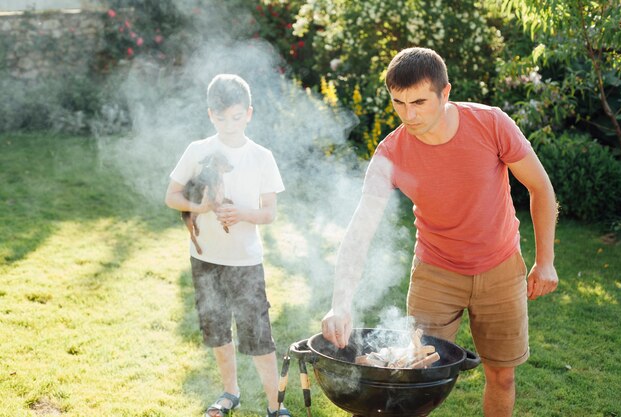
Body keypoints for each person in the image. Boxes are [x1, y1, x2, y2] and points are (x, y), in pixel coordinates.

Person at [321, 47, 559, 417]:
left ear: (445, 93)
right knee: (411, 377)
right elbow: (360, 231)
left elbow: (540, 187)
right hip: (435, 273)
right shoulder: (391, 153)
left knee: (502, 376)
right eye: (398, 103)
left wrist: (546, 261)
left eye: (419, 101)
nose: (409, 115)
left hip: (500, 267)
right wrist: (340, 302)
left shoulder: (491, 123)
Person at [165, 74, 291, 417]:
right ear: (210, 115)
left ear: (248, 113)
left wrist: (242, 213)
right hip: (205, 260)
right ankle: (230, 392)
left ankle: (274, 406)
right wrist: (203, 207)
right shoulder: (197, 151)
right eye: (221, 118)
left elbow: (269, 213)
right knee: (217, 330)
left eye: (236, 117)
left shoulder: (261, 157)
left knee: (258, 337)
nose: (229, 125)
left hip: (246, 262)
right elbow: (171, 196)